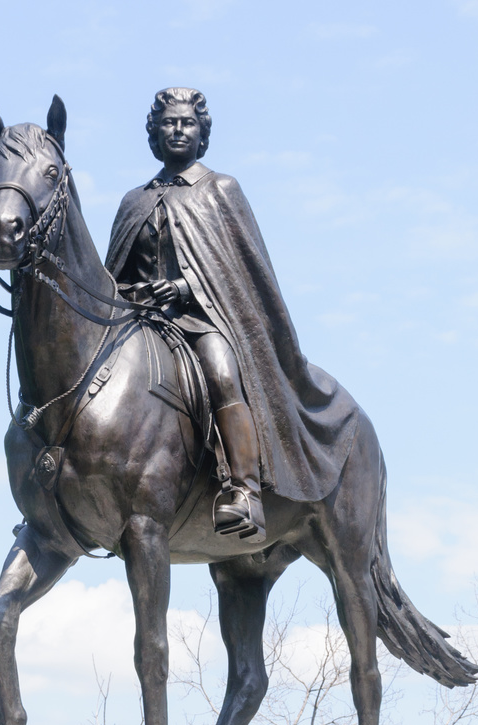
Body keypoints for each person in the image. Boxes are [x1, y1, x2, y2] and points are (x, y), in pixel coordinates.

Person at [105, 88, 359, 542]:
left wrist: (183, 288)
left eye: (187, 123)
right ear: (154, 133)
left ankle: (244, 490)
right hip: (140, 325)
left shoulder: (221, 190)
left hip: (202, 320)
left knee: (222, 373)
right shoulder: (133, 202)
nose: (178, 130)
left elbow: (241, 274)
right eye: (169, 123)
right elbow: (112, 278)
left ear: (201, 133)